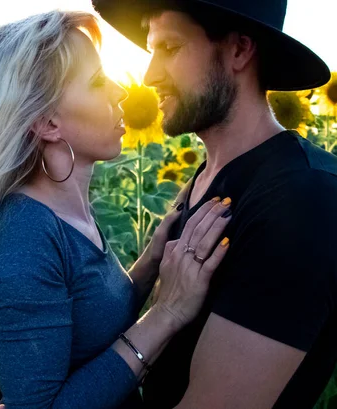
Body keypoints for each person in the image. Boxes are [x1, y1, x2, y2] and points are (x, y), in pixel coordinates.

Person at [0, 9, 233, 409]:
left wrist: (153, 259)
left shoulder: (64, 213)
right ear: (47, 122)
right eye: (98, 82)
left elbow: (92, 327)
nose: (120, 92)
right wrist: (167, 313)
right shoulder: (23, 236)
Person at [92, 0, 337, 408]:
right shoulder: (209, 176)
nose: (150, 75)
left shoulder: (302, 198)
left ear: (240, 50)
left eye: (169, 48)